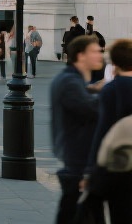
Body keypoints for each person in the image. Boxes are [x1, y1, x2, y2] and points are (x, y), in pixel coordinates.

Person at [50, 34, 103, 224]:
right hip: (78, 160)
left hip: (77, 159)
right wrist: (111, 92)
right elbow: (91, 109)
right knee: (73, 213)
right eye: (95, 52)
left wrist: (94, 90)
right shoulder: (70, 82)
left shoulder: (71, 80)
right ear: (81, 56)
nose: (100, 55)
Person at [85, 38, 132, 218]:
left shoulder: (112, 89)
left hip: (118, 165)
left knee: (120, 213)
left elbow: (102, 131)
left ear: (114, 63)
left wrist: (90, 170)